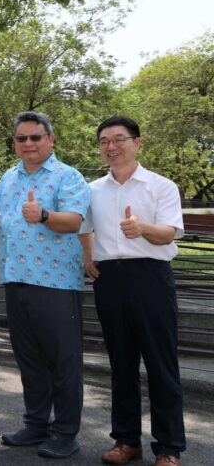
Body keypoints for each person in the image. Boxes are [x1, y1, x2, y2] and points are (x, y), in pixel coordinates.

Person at [80, 116, 185, 466]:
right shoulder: (92, 190)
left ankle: (168, 447)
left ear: (137, 143)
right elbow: (84, 226)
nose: (111, 146)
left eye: (119, 139)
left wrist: (141, 228)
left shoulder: (160, 186)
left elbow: (169, 233)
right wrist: (87, 256)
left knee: (160, 362)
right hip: (109, 278)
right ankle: (126, 441)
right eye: (104, 141)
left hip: (150, 275)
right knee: (120, 363)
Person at [0, 111, 91, 459]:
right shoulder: (7, 178)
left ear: (51, 139)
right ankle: (36, 424)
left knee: (63, 361)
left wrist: (45, 215)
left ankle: (65, 432)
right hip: (15, 278)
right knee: (29, 358)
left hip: (55, 283)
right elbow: (0, 226)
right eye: (22, 138)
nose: (29, 144)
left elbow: (75, 222)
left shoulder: (69, 177)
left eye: (36, 137)